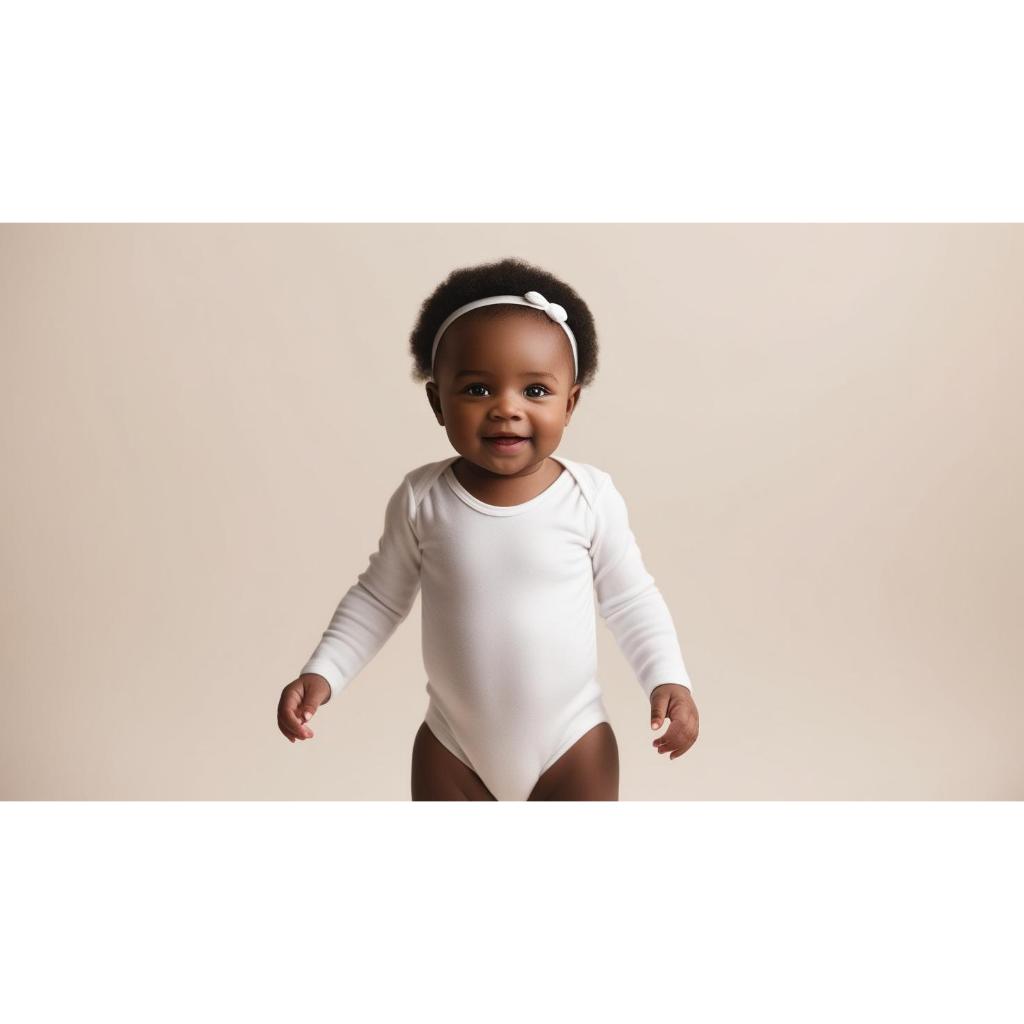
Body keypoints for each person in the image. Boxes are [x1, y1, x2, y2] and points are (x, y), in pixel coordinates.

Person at [277, 256, 699, 799]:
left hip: (572, 744)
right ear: (437, 401)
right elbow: (378, 600)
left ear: (570, 403)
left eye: (535, 391)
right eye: (478, 390)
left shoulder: (589, 497)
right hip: (452, 747)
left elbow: (631, 600)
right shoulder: (423, 499)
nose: (506, 409)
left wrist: (669, 678)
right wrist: (324, 672)